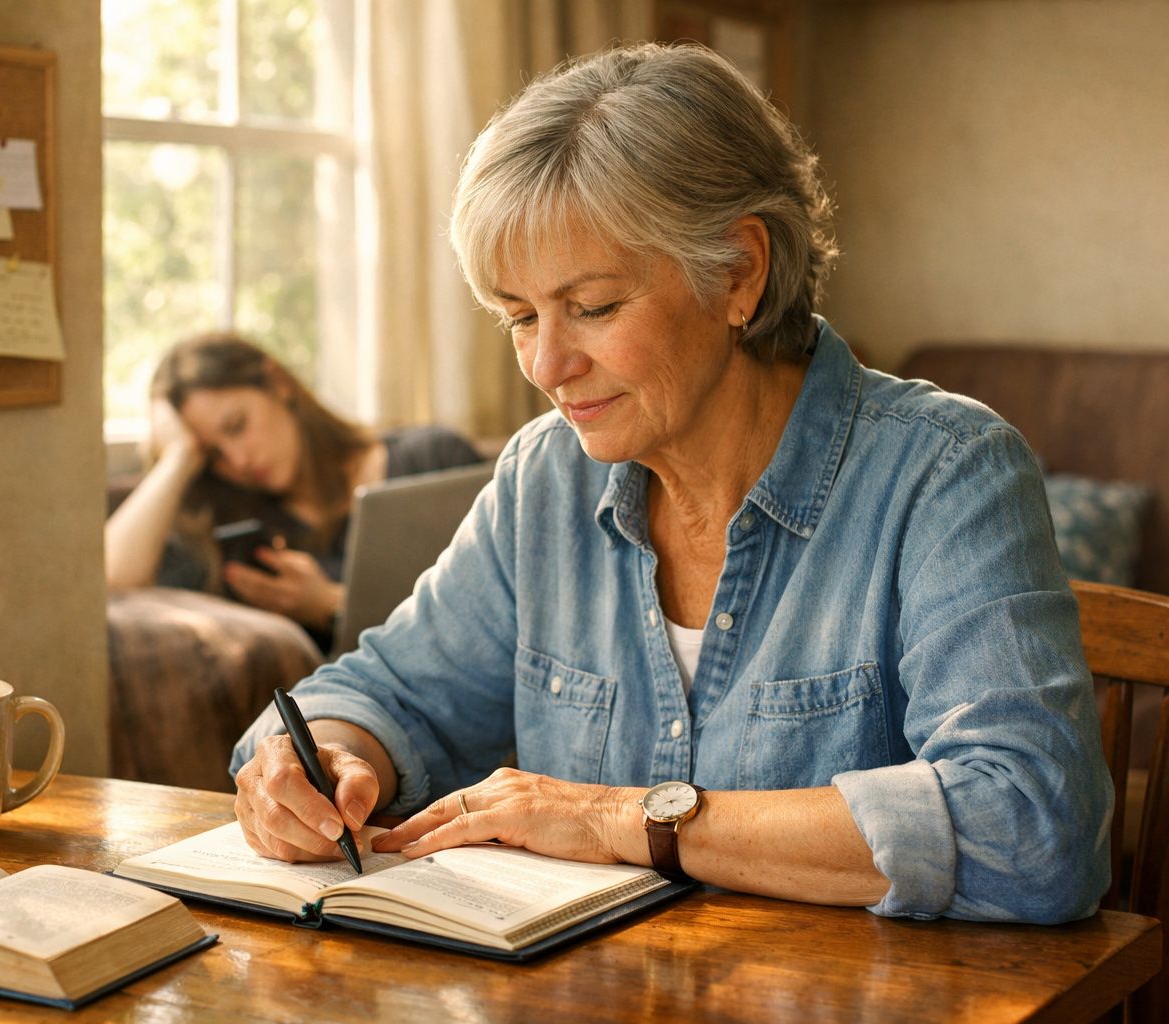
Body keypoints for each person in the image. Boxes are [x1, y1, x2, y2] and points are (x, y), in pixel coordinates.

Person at [228, 43, 1112, 924]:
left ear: (738, 273)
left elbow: (1033, 830)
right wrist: (322, 759)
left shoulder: (946, 470)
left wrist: (621, 819)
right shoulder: (546, 478)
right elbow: (388, 691)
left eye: (594, 307)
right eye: (519, 317)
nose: (546, 363)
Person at [105, 332, 482, 649]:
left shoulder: (433, 458)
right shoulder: (238, 529)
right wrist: (179, 457)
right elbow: (113, 580)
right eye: (213, 454)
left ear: (278, 383)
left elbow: (500, 606)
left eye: (237, 426)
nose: (237, 460)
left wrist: (331, 605)